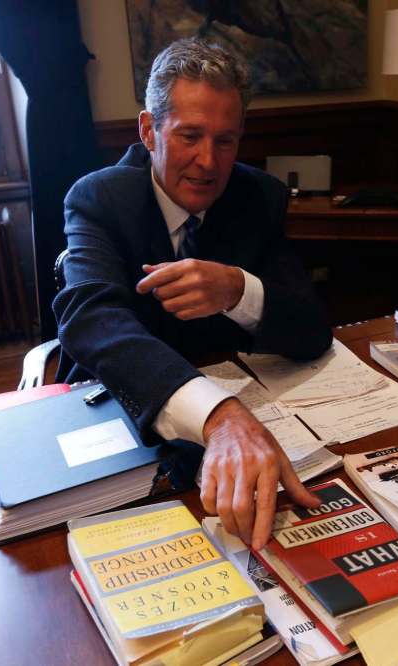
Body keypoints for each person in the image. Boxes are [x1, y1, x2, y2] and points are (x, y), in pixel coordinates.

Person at [53, 38, 331, 549]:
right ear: (148, 131)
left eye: (225, 141)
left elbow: (312, 328)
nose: (208, 162)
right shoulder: (99, 198)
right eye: (189, 136)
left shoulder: (258, 196)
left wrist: (239, 289)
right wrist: (219, 415)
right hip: (120, 416)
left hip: (247, 426)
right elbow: (90, 320)